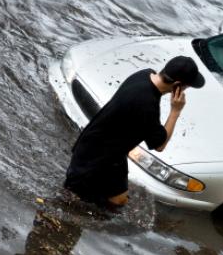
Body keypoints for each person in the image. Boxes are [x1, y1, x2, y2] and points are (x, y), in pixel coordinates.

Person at [64, 56, 205, 208]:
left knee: (119, 201)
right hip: (93, 160)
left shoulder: (143, 74)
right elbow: (160, 145)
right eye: (186, 87)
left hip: (111, 152)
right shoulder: (147, 105)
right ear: (177, 85)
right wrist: (175, 111)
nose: (185, 90)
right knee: (70, 203)